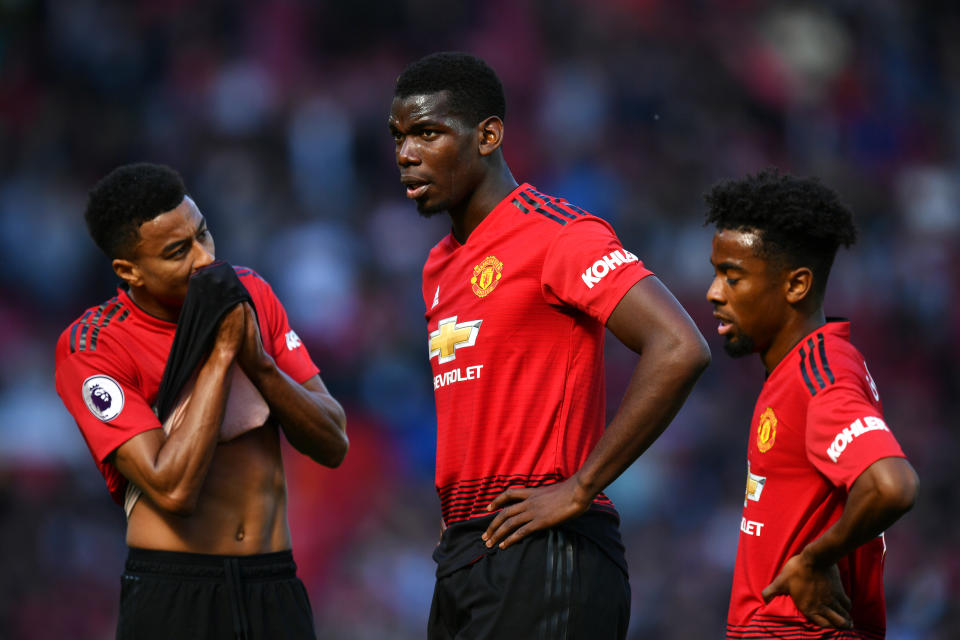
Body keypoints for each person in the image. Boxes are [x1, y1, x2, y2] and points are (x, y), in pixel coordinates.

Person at [389, 51, 711, 639]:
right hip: (468, 551)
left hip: (546, 546)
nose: (405, 154)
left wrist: (581, 486)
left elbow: (679, 345)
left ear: (488, 135)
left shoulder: (556, 233)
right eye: (399, 136)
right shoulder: (439, 267)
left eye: (427, 133)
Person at [54, 163, 348, 640]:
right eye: (177, 252)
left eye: (203, 234)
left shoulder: (251, 292)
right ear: (130, 270)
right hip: (174, 592)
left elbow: (333, 442)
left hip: (273, 585)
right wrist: (222, 355)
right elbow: (172, 489)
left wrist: (260, 365)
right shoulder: (93, 346)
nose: (204, 259)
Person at [704, 168, 919, 638]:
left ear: (796, 285)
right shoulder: (795, 371)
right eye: (716, 273)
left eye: (732, 277)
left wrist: (814, 558)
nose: (714, 292)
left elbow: (891, 484)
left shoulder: (820, 372)